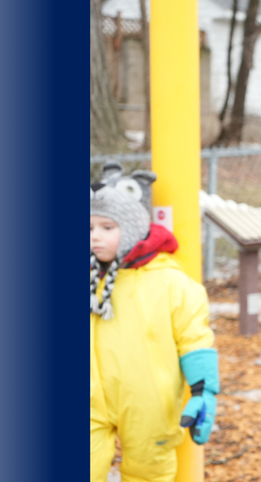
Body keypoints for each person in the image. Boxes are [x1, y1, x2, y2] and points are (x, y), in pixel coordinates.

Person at [90, 179, 220, 482]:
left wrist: (203, 391)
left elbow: (195, 339)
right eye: (90, 227)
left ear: (132, 228)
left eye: (107, 228)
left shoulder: (171, 284)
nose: (95, 237)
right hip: (91, 400)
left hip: (149, 405)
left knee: (148, 473)